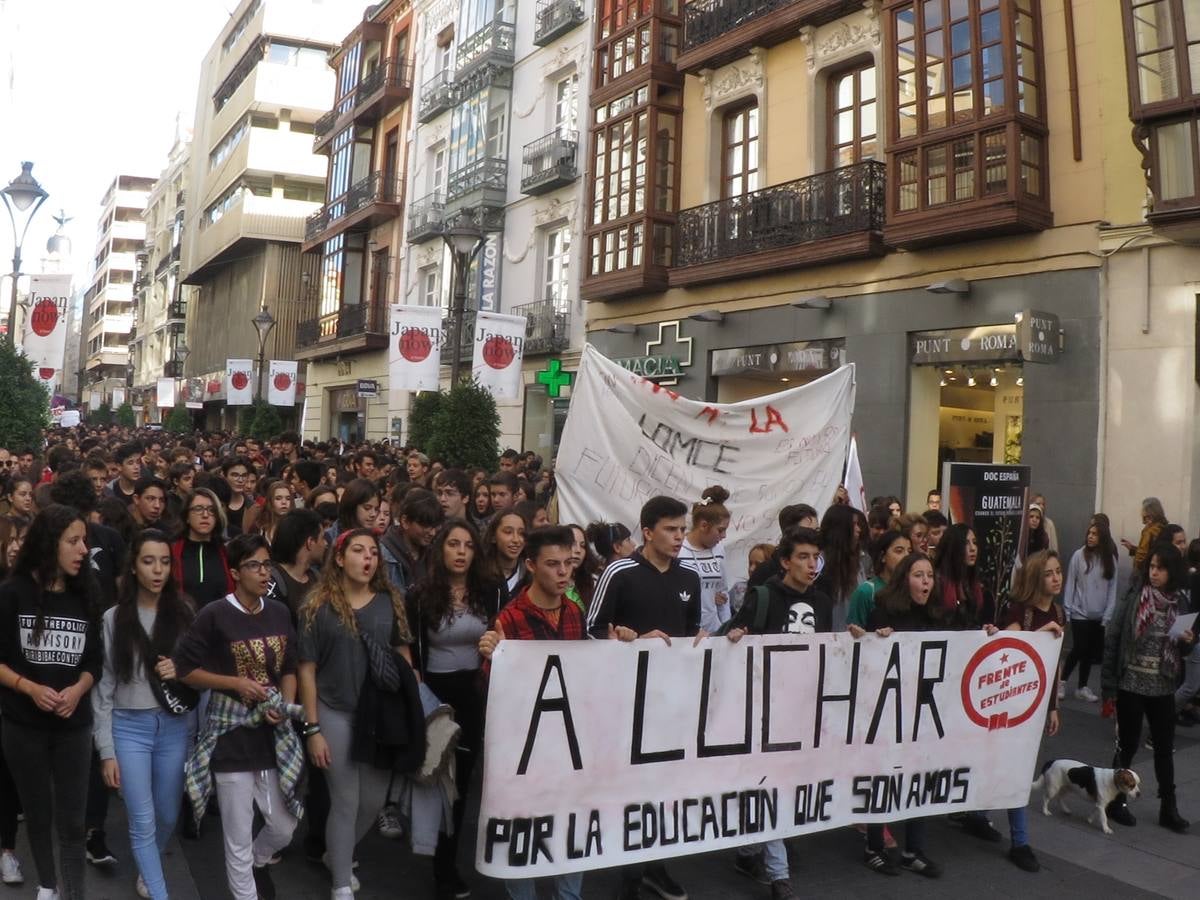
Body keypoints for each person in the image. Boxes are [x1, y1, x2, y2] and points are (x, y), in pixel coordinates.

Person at [479, 526, 631, 900]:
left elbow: (582, 677)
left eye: (568, 563)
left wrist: (614, 649)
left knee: (570, 825)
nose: (563, 572)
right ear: (531, 565)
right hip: (524, 749)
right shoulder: (510, 619)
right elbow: (491, 692)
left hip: (566, 746)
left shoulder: (575, 612)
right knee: (523, 829)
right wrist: (489, 657)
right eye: (552, 564)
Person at [586, 496, 701, 900]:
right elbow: (591, 630)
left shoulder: (690, 578)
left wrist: (701, 645)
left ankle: (655, 866)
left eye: (683, 530)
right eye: (671, 530)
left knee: (664, 787)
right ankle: (628, 872)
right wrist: (628, 641)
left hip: (671, 702)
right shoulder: (619, 571)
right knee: (629, 788)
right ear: (648, 532)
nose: (679, 537)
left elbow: (691, 632)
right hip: (624, 700)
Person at [175, 532, 301, 900]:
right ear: (234, 571)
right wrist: (233, 683)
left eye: (267, 565)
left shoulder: (279, 611)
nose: (264, 573)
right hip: (230, 734)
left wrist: (285, 703)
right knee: (237, 835)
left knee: (283, 826)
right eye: (254, 565)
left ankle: (260, 861)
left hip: (271, 734)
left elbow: (290, 665)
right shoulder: (214, 614)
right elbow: (184, 668)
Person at [298, 528, 414, 900]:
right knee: (345, 800)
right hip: (335, 712)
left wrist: (412, 705)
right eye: (359, 550)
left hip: (378, 715)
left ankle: (337, 853)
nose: (368, 558)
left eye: (374, 553)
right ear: (339, 557)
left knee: (374, 801)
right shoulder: (318, 605)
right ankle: (341, 884)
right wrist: (312, 727)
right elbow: (306, 670)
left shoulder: (390, 601)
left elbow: (403, 657)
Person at [0, 504, 102, 900]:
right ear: (49, 544)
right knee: (38, 814)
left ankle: (74, 893)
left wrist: (78, 689)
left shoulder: (87, 594)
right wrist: (29, 688)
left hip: (74, 728)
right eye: (73, 541)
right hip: (21, 726)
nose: (82, 550)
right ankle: (47, 885)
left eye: (85, 541)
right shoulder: (12, 593)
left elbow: (95, 661)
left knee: (73, 823)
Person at [723, 527, 829, 900]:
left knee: (776, 784)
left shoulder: (823, 602)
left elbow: (827, 652)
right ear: (785, 562)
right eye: (803, 556)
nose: (811, 564)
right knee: (772, 784)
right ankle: (778, 875)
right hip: (761, 710)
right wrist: (735, 638)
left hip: (799, 708)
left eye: (815, 557)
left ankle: (748, 851)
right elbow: (730, 642)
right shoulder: (764, 596)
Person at [92, 529, 195, 900]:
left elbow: (198, 677)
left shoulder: (184, 614)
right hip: (128, 727)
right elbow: (102, 688)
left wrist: (181, 670)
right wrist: (106, 751)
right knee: (142, 819)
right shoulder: (113, 618)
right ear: (133, 566)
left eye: (165, 562)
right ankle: (158, 888)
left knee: (168, 813)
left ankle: (147, 865)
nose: (157, 570)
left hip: (173, 726)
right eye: (149, 561)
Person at [405, 519, 494, 898]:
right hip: (436, 697)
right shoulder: (420, 595)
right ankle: (439, 861)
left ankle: (449, 859)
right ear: (441, 549)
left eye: (468, 545)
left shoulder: (488, 592)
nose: (460, 551)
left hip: (475, 695)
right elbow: (408, 651)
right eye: (453, 544)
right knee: (439, 778)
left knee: (464, 781)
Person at [846, 552, 944, 878]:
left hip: (921, 710)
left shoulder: (936, 614)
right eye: (918, 575)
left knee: (919, 778)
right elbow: (865, 654)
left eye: (930, 575)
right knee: (882, 775)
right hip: (886, 710)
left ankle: (913, 851)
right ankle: (873, 846)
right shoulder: (884, 610)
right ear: (905, 580)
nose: (926, 581)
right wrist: (875, 638)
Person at [1103, 541, 1193, 833]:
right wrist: (1108, 687)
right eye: (1151, 567)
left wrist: (1188, 642)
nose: (1154, 573)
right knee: (1126, 746)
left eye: (1161, 568)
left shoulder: (1179, 602)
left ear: (1172, 571)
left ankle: (1169, 807)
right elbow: (1114, 638)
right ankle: (1116, 802)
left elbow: (1181, 649)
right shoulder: (1134, 597)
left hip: (1163, 685)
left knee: (1164, 749)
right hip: (1131, 683)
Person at [997, 549, 1064, 870]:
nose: (1056, 577)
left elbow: (1055, 664)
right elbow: (1006, 650)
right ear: (1037, 577)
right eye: (1049, 572)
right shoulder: (1020, 611)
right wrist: (1038, 635)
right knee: (1015, 769)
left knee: (1016, 767)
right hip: (1011, 702)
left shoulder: (1060, 613)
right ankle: (1020, 841)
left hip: (1037, 704)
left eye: (1058, 571)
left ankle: (981, 816)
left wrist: (1053, 706)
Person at [1062, 517, 1119, 702]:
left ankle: (1082, 687)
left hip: (1099, 615)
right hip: (1080, 613)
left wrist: (1107, 615)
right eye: (1089, 533)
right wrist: (1068, 610)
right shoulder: (1079, 555)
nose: (1091, 537)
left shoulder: (1110, 559)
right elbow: (1071, 583)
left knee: (1089, 653)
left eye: (1095, 534)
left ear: (1103, 537)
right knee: (1079, 648)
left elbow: (1112, 589)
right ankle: (1062, 682)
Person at [679, 486, 732, 634]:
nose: (724, 536)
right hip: (686, 633)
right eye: (720, 530)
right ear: (703, 526)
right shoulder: (679, 549)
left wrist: (726, 627)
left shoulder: (719, 549)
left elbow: (723, 592)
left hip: (714, 631)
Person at [173, 488, 234, 608]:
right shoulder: (172, 551)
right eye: (198, 509)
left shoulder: (228, 551)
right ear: (187, 516)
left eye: (211, 510)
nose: (205, 515)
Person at [381, 488, 443, 593]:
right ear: (405, 521)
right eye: (425, 525)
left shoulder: (434, 554)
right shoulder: (383, 556)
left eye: (435, 526)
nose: (432, 532)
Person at [846, 530, 912, 628]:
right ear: (883, 556)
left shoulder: (913, 589)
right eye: (899, 551)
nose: (906, 556)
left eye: (910, 551)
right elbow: (852, 635)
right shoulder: (866, 592)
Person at [813, 504, 864, 630]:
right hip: (828, 639)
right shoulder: (818, 563)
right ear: (840, 529)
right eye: (854, 524)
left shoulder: (858, 562)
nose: (859, 529)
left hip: (857, 639)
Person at [483, 510, 528, 607]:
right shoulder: (479, 574)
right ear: (493, 537)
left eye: (521, 533)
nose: (516, 540)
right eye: (508, 532)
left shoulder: (531, 576)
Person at [1120, 497, 1167, 575]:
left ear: (1151, 513)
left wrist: (1137, 570)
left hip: (1145, 573)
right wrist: (1132, 548)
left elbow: (1144, 557)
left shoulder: (1153, 531)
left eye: (1146, 517)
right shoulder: (1157, 528)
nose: (1144, 521)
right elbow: (1146, 551)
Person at [247, 479, 294, 546]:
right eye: (278, 498)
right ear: (270, 502)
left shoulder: (297, 527)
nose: (284, 502)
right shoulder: (258, 527)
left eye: (288, 498)